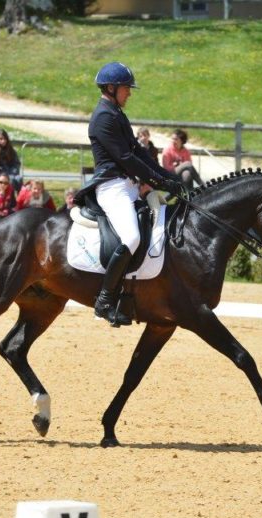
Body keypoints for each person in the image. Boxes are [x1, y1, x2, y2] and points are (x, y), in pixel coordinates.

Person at [78, 61, 182, 326]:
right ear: (111, 88)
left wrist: (170, 178)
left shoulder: (116, 114)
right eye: (126, 88)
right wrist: (158, 180)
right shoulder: (103, 116)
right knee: (132, 237)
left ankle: (133, 295)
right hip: (112, 187)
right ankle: (103, 300)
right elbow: (124, 158)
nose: (130, 93)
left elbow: (137, 152)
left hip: (128, 186)